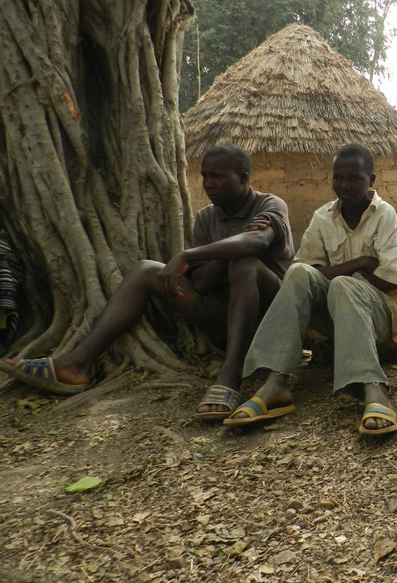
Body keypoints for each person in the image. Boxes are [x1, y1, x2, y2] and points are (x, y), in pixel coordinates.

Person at [0, 144, 295, 420]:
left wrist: (188, 255)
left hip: (269, 317)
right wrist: (228, 248)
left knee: (245, 264)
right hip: (224, 315)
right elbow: (203, 284)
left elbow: (257, 240)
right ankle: (76, 364)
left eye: (217, 176)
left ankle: (230, 376)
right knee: (145, 269)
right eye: (205, 176)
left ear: (243, 178)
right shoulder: (207, 218)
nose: (208, 183)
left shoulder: (270, 204)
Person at [223, 144, 397, 436]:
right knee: (299, 272)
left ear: (371, 180)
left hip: (378, 316)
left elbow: (390, 279)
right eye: (338, 177)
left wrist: (345, 275)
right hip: (336, 317)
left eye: (354, 179)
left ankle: (372, 386)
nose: (345, 185)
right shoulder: (323, 216)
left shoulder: (384, 214)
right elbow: (307, 273)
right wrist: (361, 262)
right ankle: (275, 383)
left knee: (342, 284)